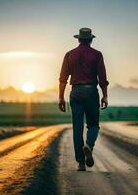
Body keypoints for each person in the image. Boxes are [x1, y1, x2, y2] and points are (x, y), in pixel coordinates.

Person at [58, 28, 109, 171]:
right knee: (93, 125)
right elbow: (102, 79)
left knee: (77, 128)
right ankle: (89, 145)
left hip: (75, 92)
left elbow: (63, 79)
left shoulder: (69, 55)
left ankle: (81, 163)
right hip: (91, 92)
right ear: (91, 39)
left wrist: (61, 97)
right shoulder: (97, 55)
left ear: (78, 39)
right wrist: (105, 95)